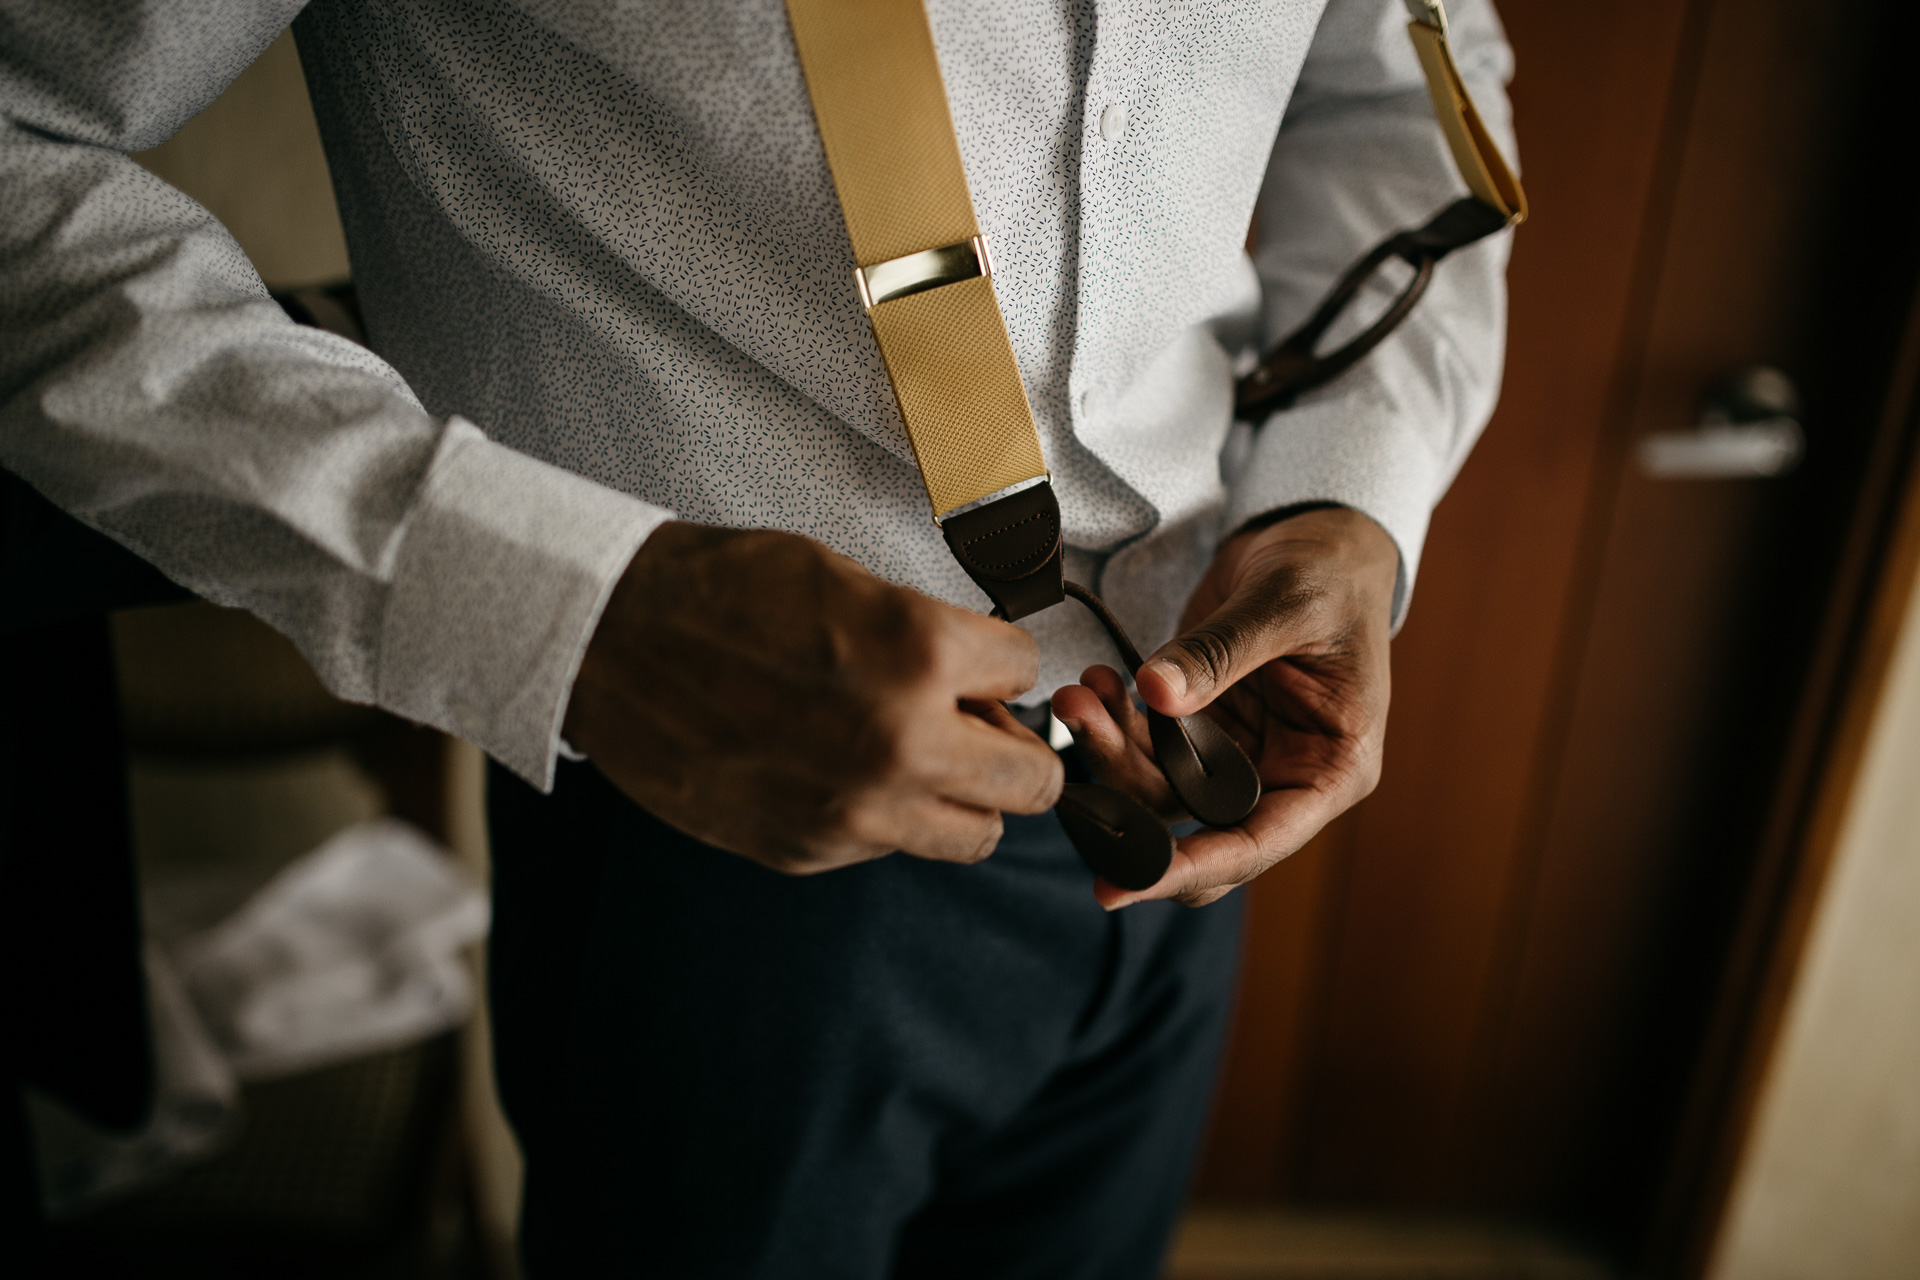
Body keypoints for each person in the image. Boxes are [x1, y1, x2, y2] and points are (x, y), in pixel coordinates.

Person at [0, 0, 1515, 1273]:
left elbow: (1404, 83)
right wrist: (566, 608)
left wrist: (1352, 495)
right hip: (723, 861)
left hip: (1195, 782)